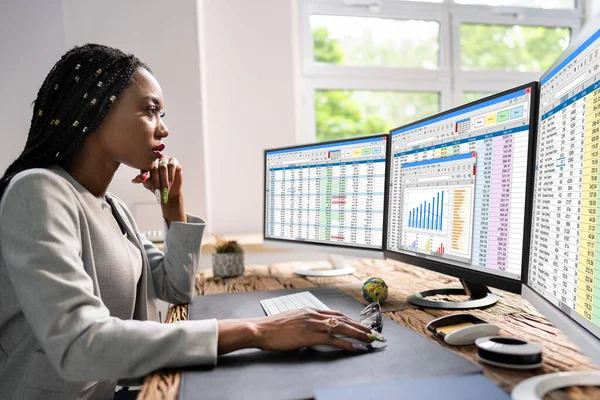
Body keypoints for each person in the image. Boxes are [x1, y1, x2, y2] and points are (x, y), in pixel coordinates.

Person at [0, 44, 383, 400]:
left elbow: (175, 289)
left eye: (161, 115)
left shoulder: (110, 205)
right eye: (150, 111)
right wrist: (258, 331)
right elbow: (78, 343)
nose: (163, 128)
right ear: (96, 112)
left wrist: (173, 206)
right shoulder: (38, 190)